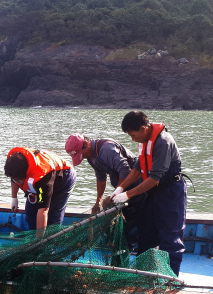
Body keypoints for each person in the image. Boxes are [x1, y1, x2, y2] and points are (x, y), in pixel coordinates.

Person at [111, 110, 187, 276]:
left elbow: (154, 179)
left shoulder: (163, 141)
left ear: (144, 129)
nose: (132, 139)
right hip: (153, 193)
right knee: (146, 232)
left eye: (133, 134)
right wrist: (120, 188)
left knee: (170, 237)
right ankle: (143, 274)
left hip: (171, 192)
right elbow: (138, 169)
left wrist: (127, 195)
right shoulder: (145, 141)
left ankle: (170, 279)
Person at [64, 133, 144, 244]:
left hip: (136, 184)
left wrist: (114, 195)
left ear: (86, 144)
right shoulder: (91, 157)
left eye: (81, 154)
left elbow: (125, 170)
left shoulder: (106, 149)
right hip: (121, 187)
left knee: (135, 216)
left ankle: (135, 246)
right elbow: (101, 177)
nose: (83, 157)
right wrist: (98, 202)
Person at [4, 147, 76, 235]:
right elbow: (14, 178)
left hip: (63, 178)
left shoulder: (43, 179)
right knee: (31, 214)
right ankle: (33, 236)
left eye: (19, 180)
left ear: (26, 174)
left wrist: (39, 242)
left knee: (52, 218)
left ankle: (50, 242)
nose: (17, 182)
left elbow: (43, 210)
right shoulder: (14, 164)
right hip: (36, 177)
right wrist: (14, 198)